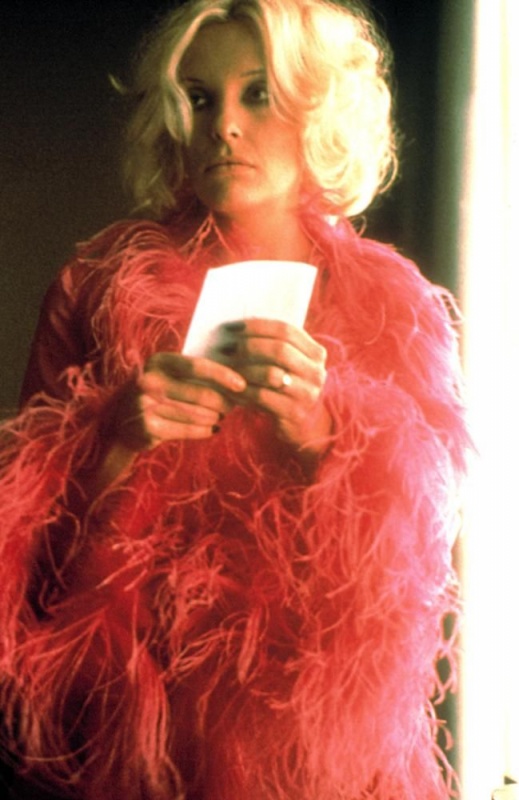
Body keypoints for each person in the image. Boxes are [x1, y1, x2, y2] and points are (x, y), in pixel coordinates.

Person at [0, 0, 470, 798]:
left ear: (317, 104)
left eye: (258, 93)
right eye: (197, 97)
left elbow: (419, 581)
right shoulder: (95, 289)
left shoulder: (396, 310)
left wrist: (328, 436)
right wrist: (115, 440)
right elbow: (24, 579)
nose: (222, 125)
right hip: (126, 749)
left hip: (321, 763)